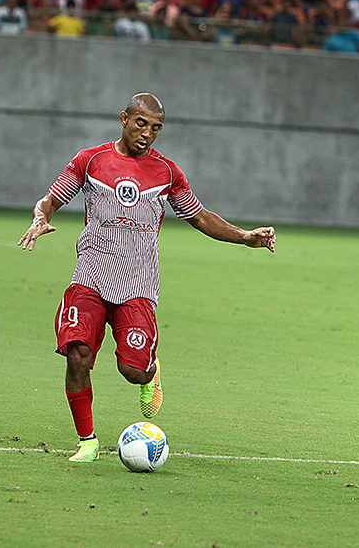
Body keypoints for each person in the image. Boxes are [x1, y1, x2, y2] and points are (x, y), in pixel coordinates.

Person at [17, 93, 276, 463]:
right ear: (124, 119)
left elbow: (200, 217)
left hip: (137, 286)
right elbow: (51, 198)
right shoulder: (89, 160)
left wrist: (245, 237)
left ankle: (150, 371)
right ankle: (87, 441)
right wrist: (40, 216)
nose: (147, 133)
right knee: (77, 354)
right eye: (141, 124)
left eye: (156, 128)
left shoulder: (167, 172)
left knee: (132, 370)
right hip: (89, 276)